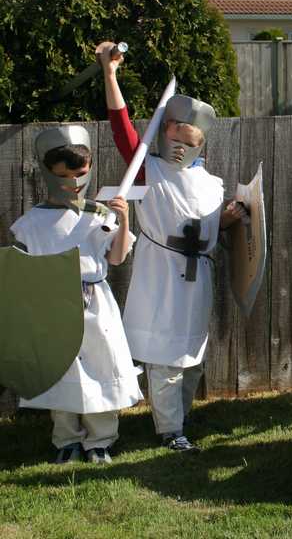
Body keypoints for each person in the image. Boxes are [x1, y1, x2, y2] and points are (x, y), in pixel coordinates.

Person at [96, 41, 243, 451]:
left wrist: (229, 218)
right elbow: (123, 129)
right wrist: (110, 74)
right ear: (162, 132)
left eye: (189, 138)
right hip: (161, 275)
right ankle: (170, 431)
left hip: (198, 278)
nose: (180, 144)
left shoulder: (211, 183)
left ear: (201, 142)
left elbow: (207, 227)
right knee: (165, 358)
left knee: (191, 357)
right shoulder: (148, 169)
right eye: (174, 133)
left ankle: (179, 418)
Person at [11, 126, 143, 464]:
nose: (73, 182)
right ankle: (67, 440)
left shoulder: (100, 216)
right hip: (54, 305)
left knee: (101, 367)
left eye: (80, 174)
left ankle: (100, 440)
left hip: (96, 303)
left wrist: (123, 219)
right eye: (64, 175)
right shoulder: (31, 223)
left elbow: (116, 258)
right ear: (48, 173)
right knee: (62, 371)